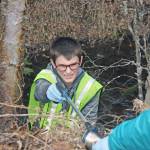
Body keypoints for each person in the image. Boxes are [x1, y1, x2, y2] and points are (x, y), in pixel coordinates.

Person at [28, 37, 103, 129]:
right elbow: (39, 91)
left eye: (73, 65)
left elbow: (89, 122)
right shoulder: (45, 76)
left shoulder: (91, 87)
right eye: (62, 66)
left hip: (71, 140)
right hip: (38, 137)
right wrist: (47, 92)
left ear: (81, 60)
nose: (68, 71)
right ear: (53, 63)